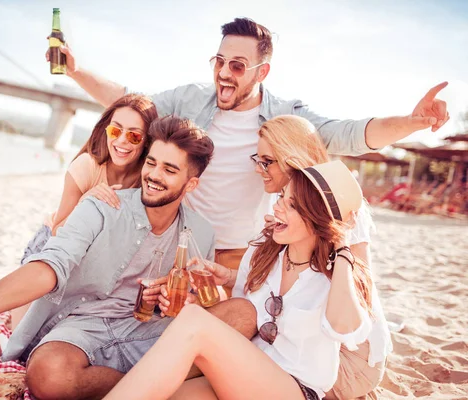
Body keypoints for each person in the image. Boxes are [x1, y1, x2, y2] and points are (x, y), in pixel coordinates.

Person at [48, 17, 450, 294]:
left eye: (237, 65)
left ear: (262, 72)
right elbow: (129, 104)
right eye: (219, 61)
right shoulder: (189, 99)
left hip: (240, 251)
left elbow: (344, 134)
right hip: (178, 243)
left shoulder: (284, 114)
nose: (224, 73)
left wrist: (411, 121)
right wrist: (75, 70)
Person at [0, 116, 256, 400]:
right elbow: (50, 266)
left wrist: (179, 304)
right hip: (84, 329)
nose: (154, 175)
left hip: (151, 333)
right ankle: (153, 384)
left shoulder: (202, 231)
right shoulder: (101, 206)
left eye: (170, 170)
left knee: (242, 314)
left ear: (191, 183)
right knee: (48, 376)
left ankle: (151, 380)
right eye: (151, 163)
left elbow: (195, 302)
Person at [157, 115, 391, 399]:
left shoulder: (338, 206)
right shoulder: (283, 207)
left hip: (347, 355)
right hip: (294, 340)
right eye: (258, 159)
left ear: (290, 160)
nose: (259, 169)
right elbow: (290, 283)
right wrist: (230, 276)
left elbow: (354, 294)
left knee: (227, 337)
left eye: (267, 161)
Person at [105, 159, 373, 400]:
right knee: (175, 394)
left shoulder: (337, 275)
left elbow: (345, 330)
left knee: (195, 322)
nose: (278, 208)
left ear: (318, 220)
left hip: (294, 389)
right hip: (240, 376)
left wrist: (344, 253)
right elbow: (243, 308)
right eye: (282, 197)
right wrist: (207, 293)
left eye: (291, 205)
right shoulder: (262, 252)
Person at [12, 93, 157, 327]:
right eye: (115, 131)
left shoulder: (146, 181)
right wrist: (87, 202)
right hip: (51, 246)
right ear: (106, 129)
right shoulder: (86, 166)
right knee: (18, 332)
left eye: (133, 135)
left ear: (147, 141)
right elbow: (59, 229)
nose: (121, 141)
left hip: (93, 263)